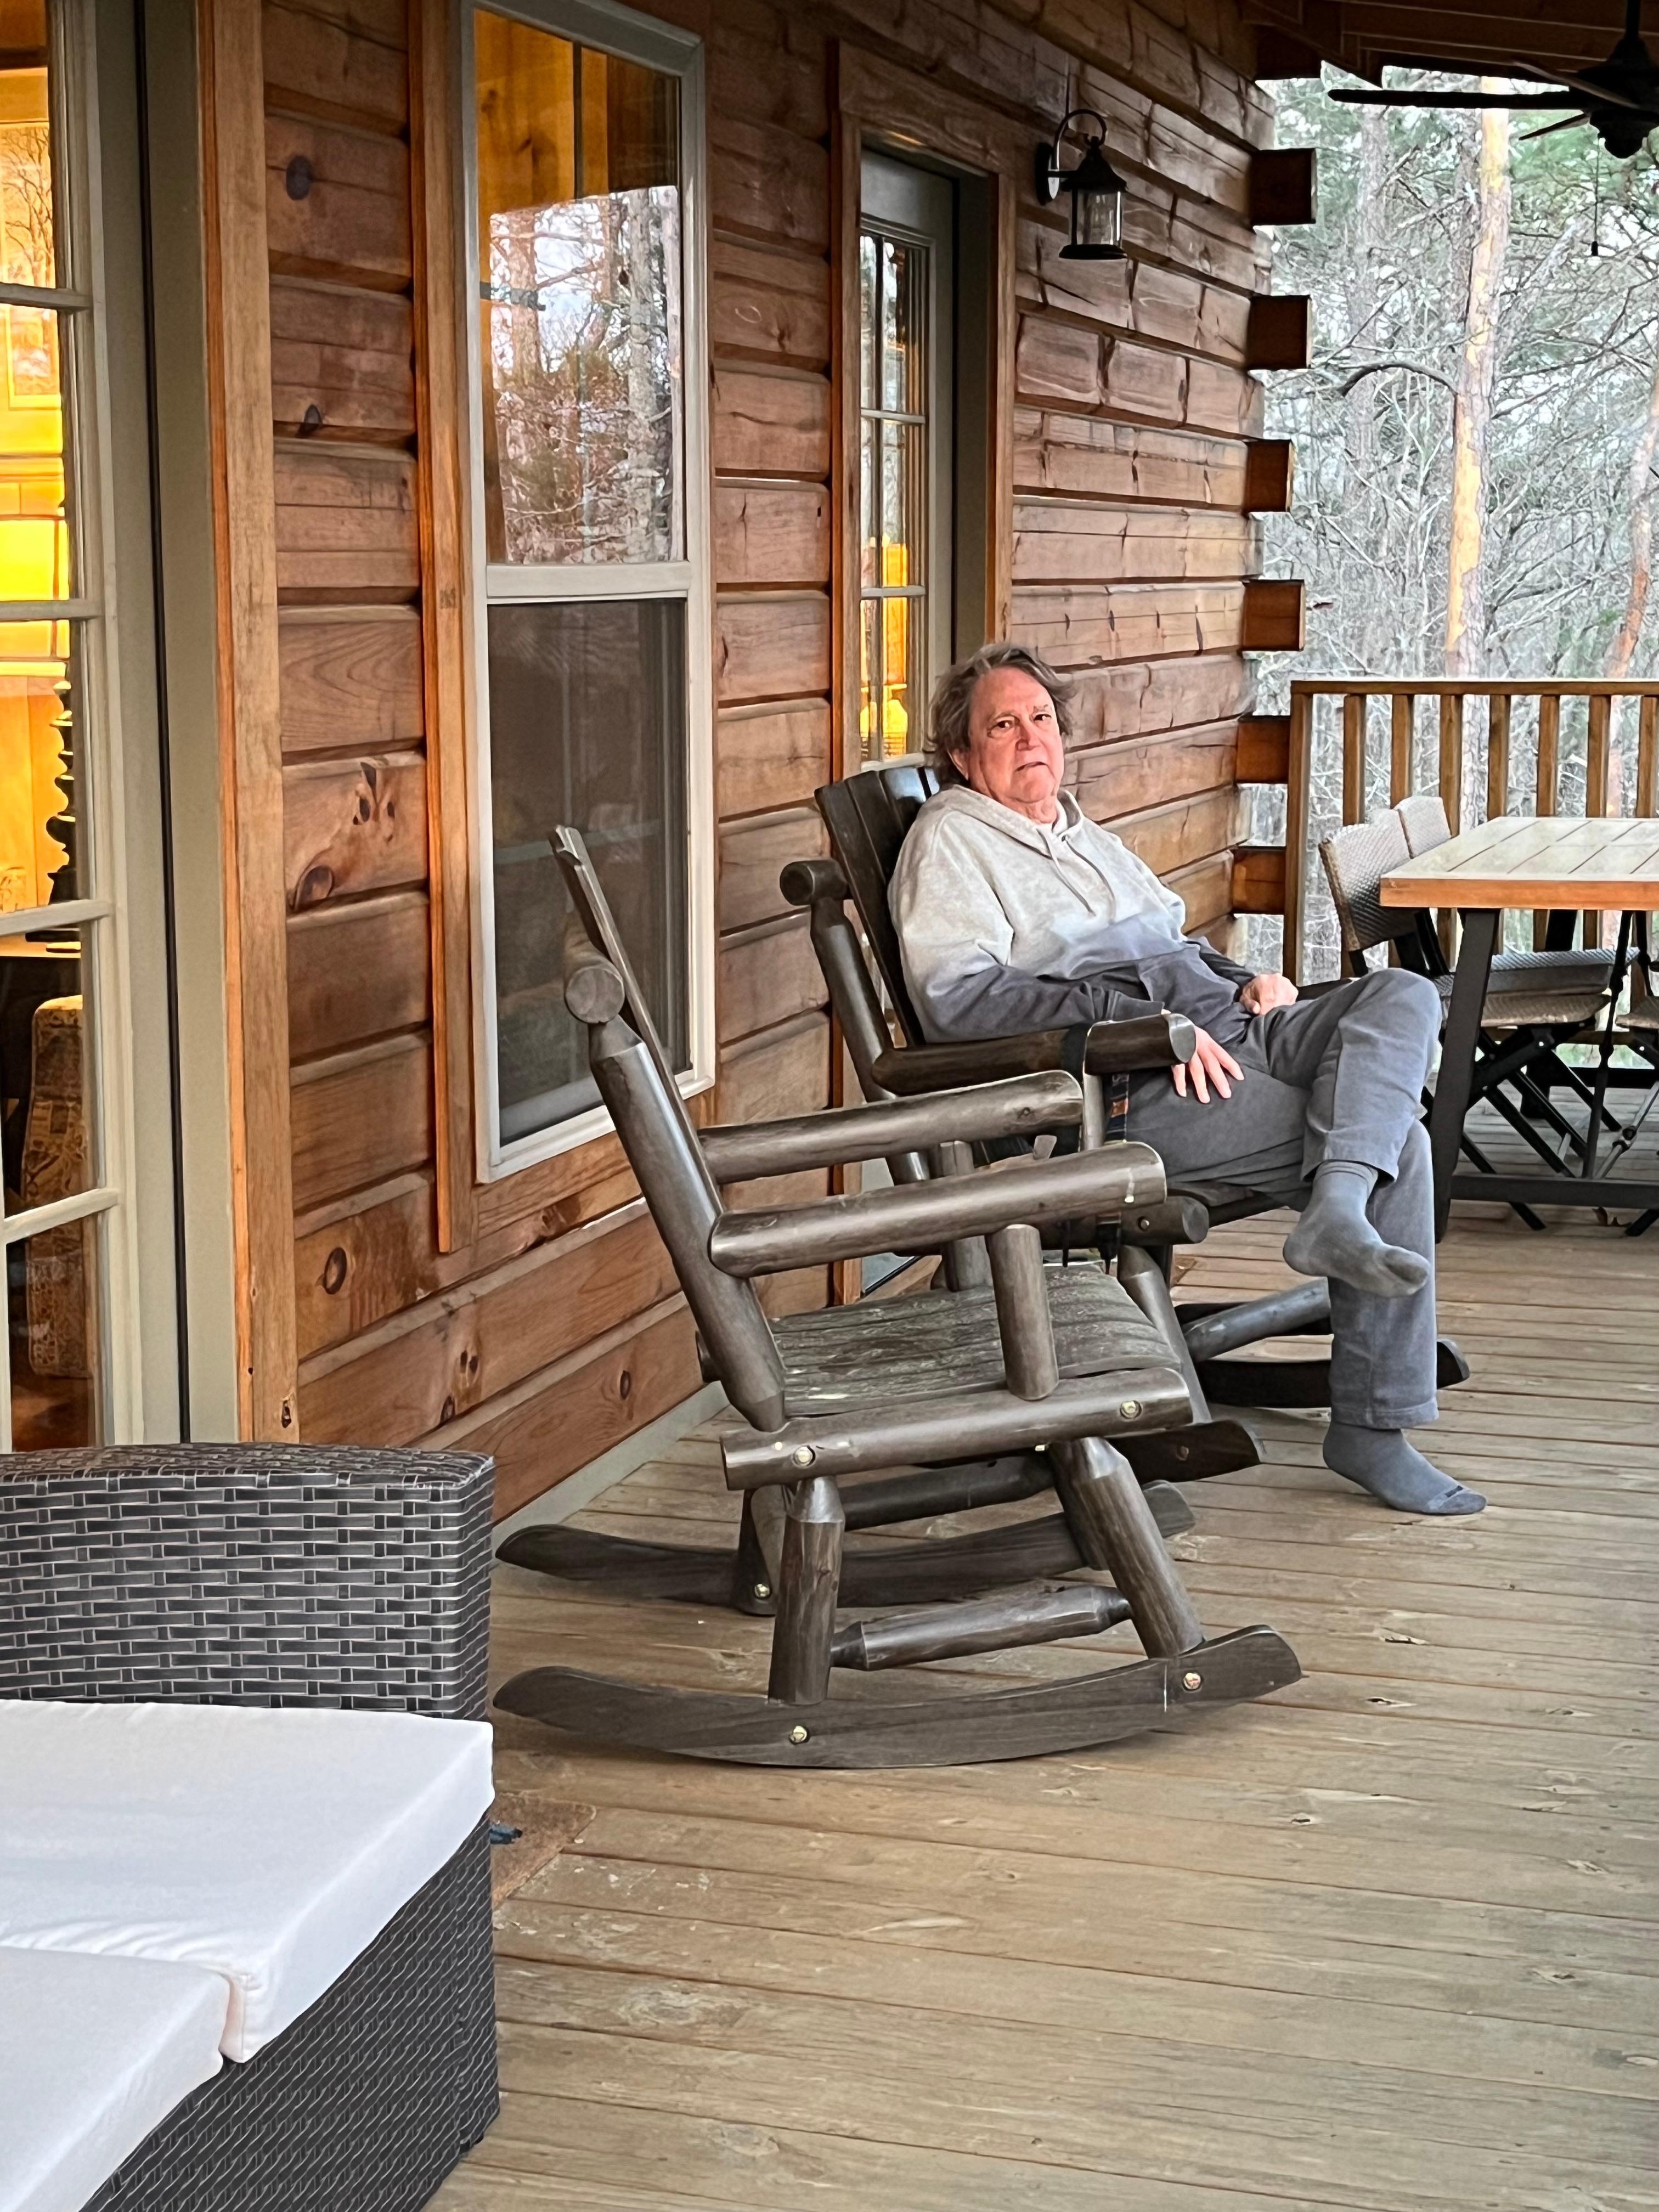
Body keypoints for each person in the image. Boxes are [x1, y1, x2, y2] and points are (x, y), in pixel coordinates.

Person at [891, 640, 1484, 1518]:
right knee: (1391, 1136)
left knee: (1399, 993)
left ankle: (1339, 1204)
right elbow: (963, 1004)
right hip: (1122, 1093)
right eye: (1003, 725)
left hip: (1230, 1026)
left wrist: (1238, 976)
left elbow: (1164, 943)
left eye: (1042, 719)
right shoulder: (952, 844)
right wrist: (1142, 1029)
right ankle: (1372, 1416)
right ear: (963, 756)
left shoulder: (1077, 833)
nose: (1030, 739)